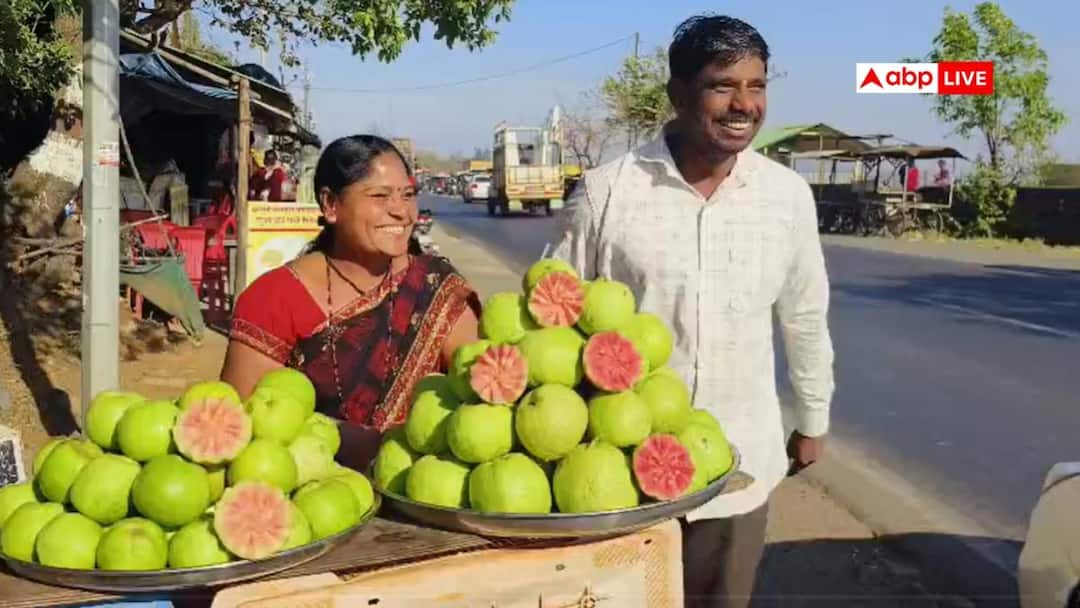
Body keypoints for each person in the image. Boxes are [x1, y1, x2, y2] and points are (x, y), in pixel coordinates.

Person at [551, 15, 835, 608]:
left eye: (757, 87)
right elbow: (554, 316)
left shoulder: (786, 198)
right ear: (678, 94)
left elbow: (804, 315)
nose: (744, 105)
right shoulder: (609, 193)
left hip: (738, 462)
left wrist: (812, 418)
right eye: (722, 85)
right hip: (619, 471)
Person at [222, 135, 481, 468]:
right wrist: (341, 439)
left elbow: (478, 391)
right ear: (330, 205)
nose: (402, 211)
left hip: (425, 497)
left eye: (407, 195)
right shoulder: (274, 298)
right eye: (380, 196)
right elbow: (241, 427)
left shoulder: (434, 286)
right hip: (314, 496)